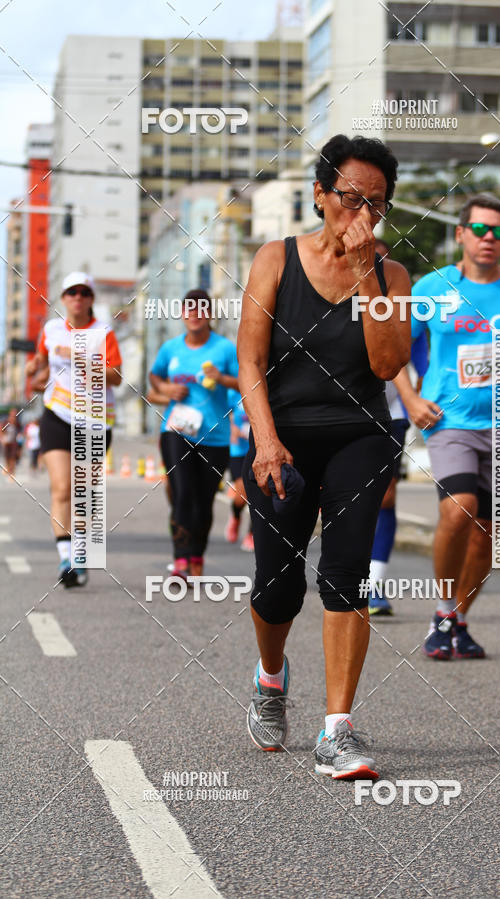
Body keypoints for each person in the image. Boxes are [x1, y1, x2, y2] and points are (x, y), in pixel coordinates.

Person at [237, 133, 411, 779]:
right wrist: (265, 439)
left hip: (360, 435)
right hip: (281, 435)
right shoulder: (275, 259)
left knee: (345, 573)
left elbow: (388, 363)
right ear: (320, 195)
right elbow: (250, 358)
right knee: (278, 587)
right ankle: (271, 678)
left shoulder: (392, 274)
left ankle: (337, 729)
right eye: (350, 197)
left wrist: (367, 272)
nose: (361, 214)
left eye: (376, 203)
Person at [396, 193, 500, 660]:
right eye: (480, 229)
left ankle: (460, 621)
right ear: (461, 234)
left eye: (498, 231)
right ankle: (442, 610)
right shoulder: (433, 288)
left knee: (492, 534)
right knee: (459, 509)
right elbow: (394, 353)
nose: (489, 238)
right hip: (450, 420)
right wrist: (410, 398)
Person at [27, 272, 122, 587]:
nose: (77, 298)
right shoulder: (51, 329)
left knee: (85, 494)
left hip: (95, 419)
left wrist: (80, 358)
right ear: (64, 298)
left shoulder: (102, 333)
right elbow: (41, 363)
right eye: (71, 292)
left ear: (91, 298)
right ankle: (67, 558)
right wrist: (35, 372)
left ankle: (81, 555)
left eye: (83, 292)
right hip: (56, 415)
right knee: (62, 488)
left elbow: (116, 377)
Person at [149, 288, 239, 582]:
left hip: (215, 436)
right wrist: (165, 389)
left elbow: (243, 382)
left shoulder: (224, 349)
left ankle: (197, 553)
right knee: (182, 493)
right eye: (189, 309)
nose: (195, 315)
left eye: (201, 309)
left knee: (203, 500)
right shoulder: (170, 348)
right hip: (176, 431)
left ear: (209, 314)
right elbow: (155, 376)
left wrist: (221, 378)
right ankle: (180, 560)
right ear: (182, 314)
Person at [368, 239, 429, 616]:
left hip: (390, 412)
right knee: (344, 500)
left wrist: (423, 392)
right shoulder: (339, 299)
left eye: (383, 262)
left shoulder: (405, 307)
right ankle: (344, 571)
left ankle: (373, 585)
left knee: (386, 495)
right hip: (341, 413)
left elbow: (421, 357)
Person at [225, 388, 253, 552]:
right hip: (238, 451)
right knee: (241, 495)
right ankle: (236, 515)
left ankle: (252, 534)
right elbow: (221, 412)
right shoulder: (234, 393)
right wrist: (232, 428)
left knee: (259, 493)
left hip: (259, 450)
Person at [1, 408, 21, 477]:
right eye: (12, 413)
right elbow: (2, 430)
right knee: (7, 458)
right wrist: (2, 439)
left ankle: (12, 473)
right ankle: (8, 469)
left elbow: (19, 431)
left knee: (13, 458)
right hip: (7, 443)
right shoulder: (6, 422)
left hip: (14, 443)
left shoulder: (17, 423)